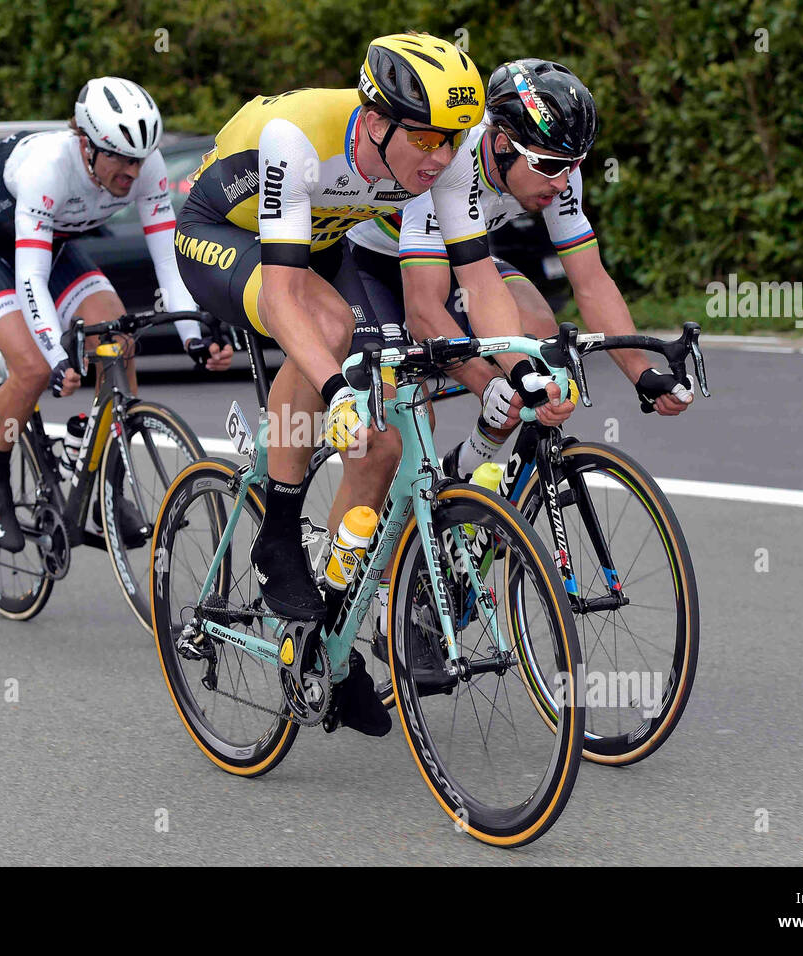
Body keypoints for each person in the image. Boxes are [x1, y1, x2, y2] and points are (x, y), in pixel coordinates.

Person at [175, 33, 570, 736]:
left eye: (452, 140)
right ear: (377, 118)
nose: (440, 158)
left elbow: (479, 282)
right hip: (221, 234)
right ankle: (278, 533)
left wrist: (522, 365)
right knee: (328, 340)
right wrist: (336, 389)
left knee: (382, 447)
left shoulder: (441, 163)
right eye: (424, 139)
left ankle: (328, 635)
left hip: (322, 243)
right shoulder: (298, 139)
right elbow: (287, 300)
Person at [347, 58, 693, 481]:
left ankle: (464, 479)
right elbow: (423, 311)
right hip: (373, 263)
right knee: (405, 418)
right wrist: (486, 382)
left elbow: (591, 283)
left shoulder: (558, 170)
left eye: (575, 164)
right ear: (503, 143)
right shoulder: (447, 164)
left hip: (464, 257)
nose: (563, 182)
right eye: (549, 166)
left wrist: (643, 373)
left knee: (537, 342)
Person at [0, 77, 233, 554]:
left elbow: (168, 259)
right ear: (85, 144)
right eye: (120, 157)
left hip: (54, 248)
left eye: (140, 158)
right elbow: (29, 279)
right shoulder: (48, 168)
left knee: (119, 343)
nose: (132, 171)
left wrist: (193, 335)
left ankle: (104, 482)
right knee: (33, 368)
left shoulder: (147, 168)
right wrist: (53, 352)